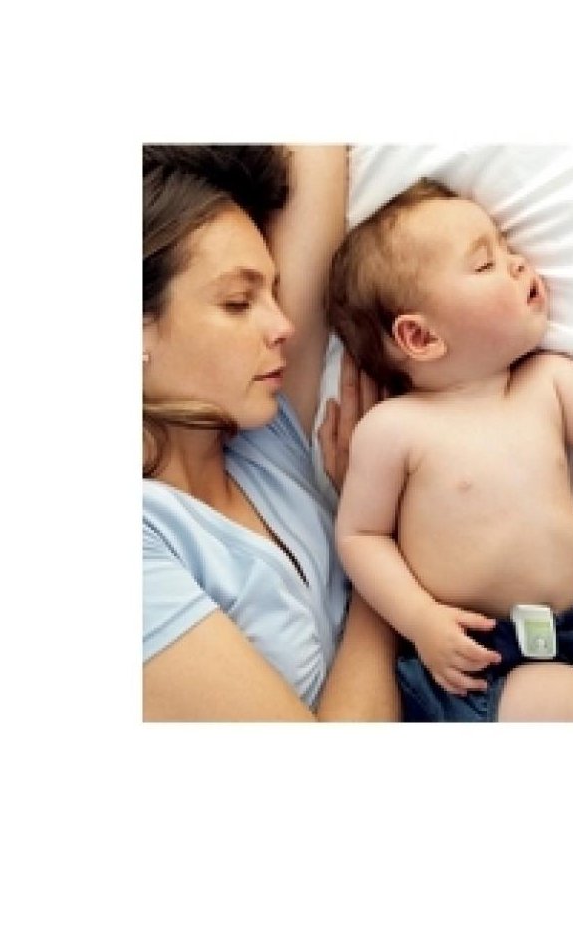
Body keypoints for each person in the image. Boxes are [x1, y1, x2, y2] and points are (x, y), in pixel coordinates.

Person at [328, 178, 573, 721]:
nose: (518, 263)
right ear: (420, 337)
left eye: (507, 246)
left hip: (571, 630)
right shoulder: (394, 428)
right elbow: (361, 536)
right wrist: (419, 619)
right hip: (474, 667)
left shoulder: (549, 383)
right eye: (485, 263)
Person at [142, 144, 399, 721]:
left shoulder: (264, 438)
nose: (283, 325)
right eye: (239, 302)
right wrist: (379, 554)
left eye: (273, 293)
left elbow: (315, 154)